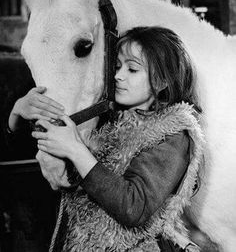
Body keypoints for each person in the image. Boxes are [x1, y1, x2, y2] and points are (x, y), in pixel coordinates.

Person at [8, 26, 204, 251]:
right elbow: (29, 161)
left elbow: (133, 208)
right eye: (117, 66)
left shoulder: (172, 133)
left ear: (160, 81)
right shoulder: (108, 121)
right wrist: (18, 113)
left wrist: (75, 150)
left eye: (132, 69)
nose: (118, 76)